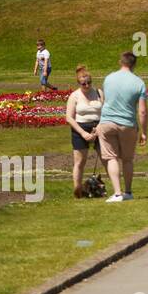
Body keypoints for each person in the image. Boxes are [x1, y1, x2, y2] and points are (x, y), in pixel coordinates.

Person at [96, 51, 148, 202]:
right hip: (127, 124)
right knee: (127, 159)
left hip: (107, 122)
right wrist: (143, 132)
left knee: (111, 158)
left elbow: (105, 101)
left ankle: (117, 193)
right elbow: (142, 111)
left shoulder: (109, 78)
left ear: (121, 62)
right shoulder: (139, 83)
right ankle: (128, 192)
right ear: (134, 64)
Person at [65, 65, 103, 198]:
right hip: (80, 128)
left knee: (106, 158)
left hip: (98, 128)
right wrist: (83, 133)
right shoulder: (74, 96)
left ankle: (116, 190)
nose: (87, 85)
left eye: (89, 83)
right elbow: (69, 118)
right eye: (83, 84)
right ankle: (78, 189)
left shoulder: (98, 92)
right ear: (78, 83)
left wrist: (99, 128)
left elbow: (106, 111)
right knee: (80, 161)